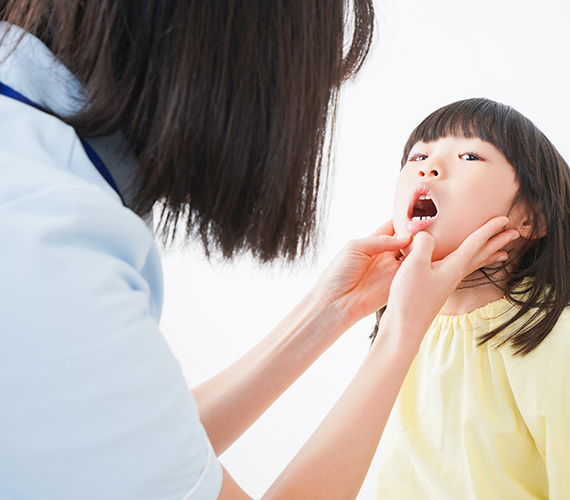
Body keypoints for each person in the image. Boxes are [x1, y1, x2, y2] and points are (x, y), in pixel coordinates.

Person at [0, 3, 520, 500]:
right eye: (419, 155)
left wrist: (331, 311)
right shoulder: (48, 245)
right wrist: (399, 334)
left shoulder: (39, 182)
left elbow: (123, 455)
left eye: (470, 155)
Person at [372, 98, 570, 499]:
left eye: (470, 155)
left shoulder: (557, 336)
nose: (428, 167)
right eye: (418, 155)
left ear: (530, 218)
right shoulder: (407, 326)